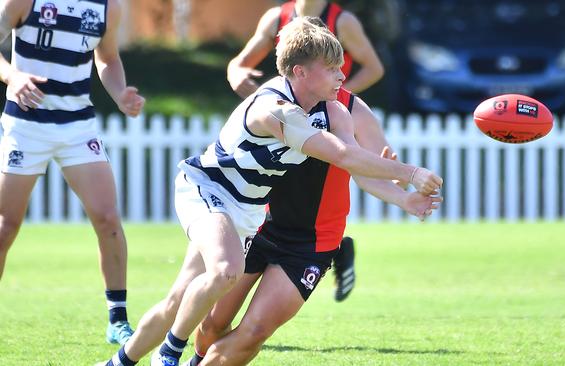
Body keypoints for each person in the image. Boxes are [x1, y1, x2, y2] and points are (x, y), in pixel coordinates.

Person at [99, 16, 441, 366]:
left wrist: (403, 193)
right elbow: (340, 153)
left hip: (251, 210)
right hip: (210, 188)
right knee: (221, 275)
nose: (342, 75)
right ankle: (169, 354)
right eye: (332, 68)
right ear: (300, 72)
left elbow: (353, 160)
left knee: (191, 299)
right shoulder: (274, 109)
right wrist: (411, 172)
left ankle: (119, 362)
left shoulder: (338, 110)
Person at [0, 0, 144, 345]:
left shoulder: (109, 7)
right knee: (5, 227)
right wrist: (13, 76)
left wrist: (120, 95)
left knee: (108, 218)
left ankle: (118, 320)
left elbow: (107, 58)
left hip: (78, 127)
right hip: (25, 126)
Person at [228, 0, 387, 302]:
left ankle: (331, 247)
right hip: (287, 118)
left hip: (326, 118)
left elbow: (374, 67)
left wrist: (335, 94)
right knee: (278, 188)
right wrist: (239, 78)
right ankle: (332, 248)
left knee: (324, 192)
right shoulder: (276, 18)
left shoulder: (343, 22)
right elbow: (238, 63)